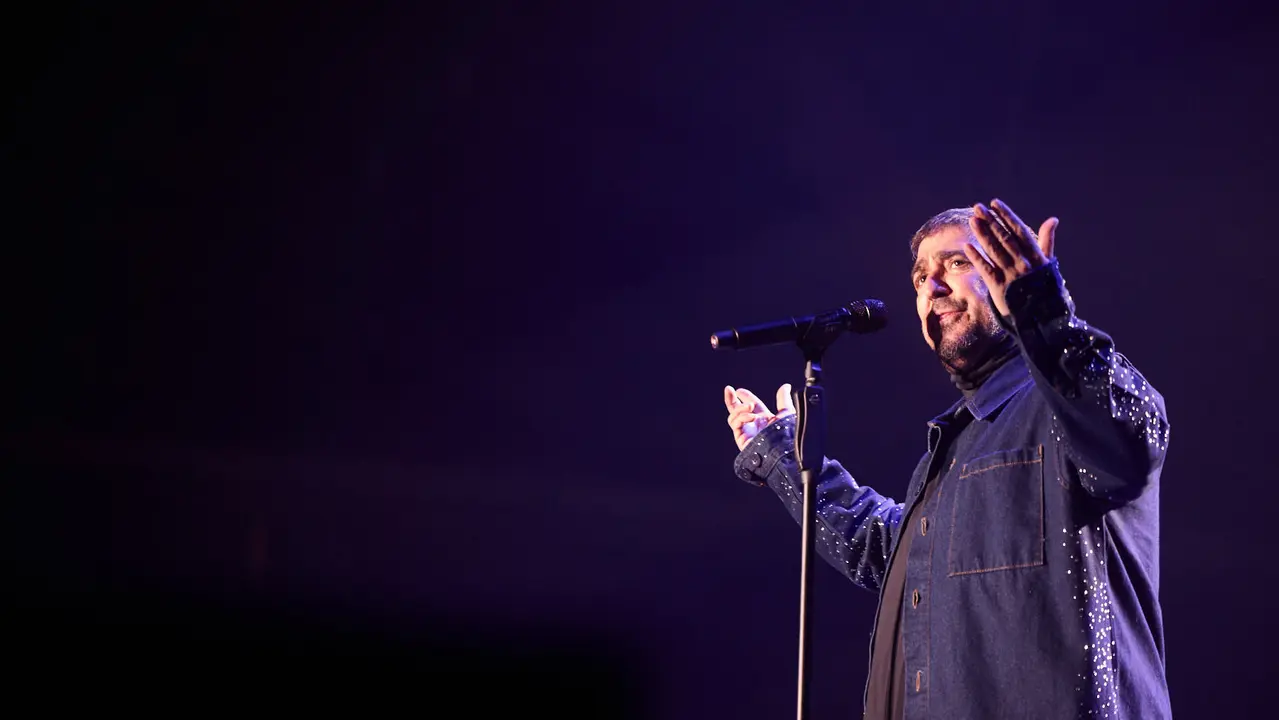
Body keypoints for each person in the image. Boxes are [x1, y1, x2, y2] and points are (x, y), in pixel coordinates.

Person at [723, 199, 1170, 720]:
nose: (931, 288)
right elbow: (884, 551)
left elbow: (1130, 439)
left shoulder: (1066, 406)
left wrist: (1042, 310)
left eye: (957, 264)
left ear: (1008, 273)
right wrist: (782, 454)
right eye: (919, 278)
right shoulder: (956, 445)